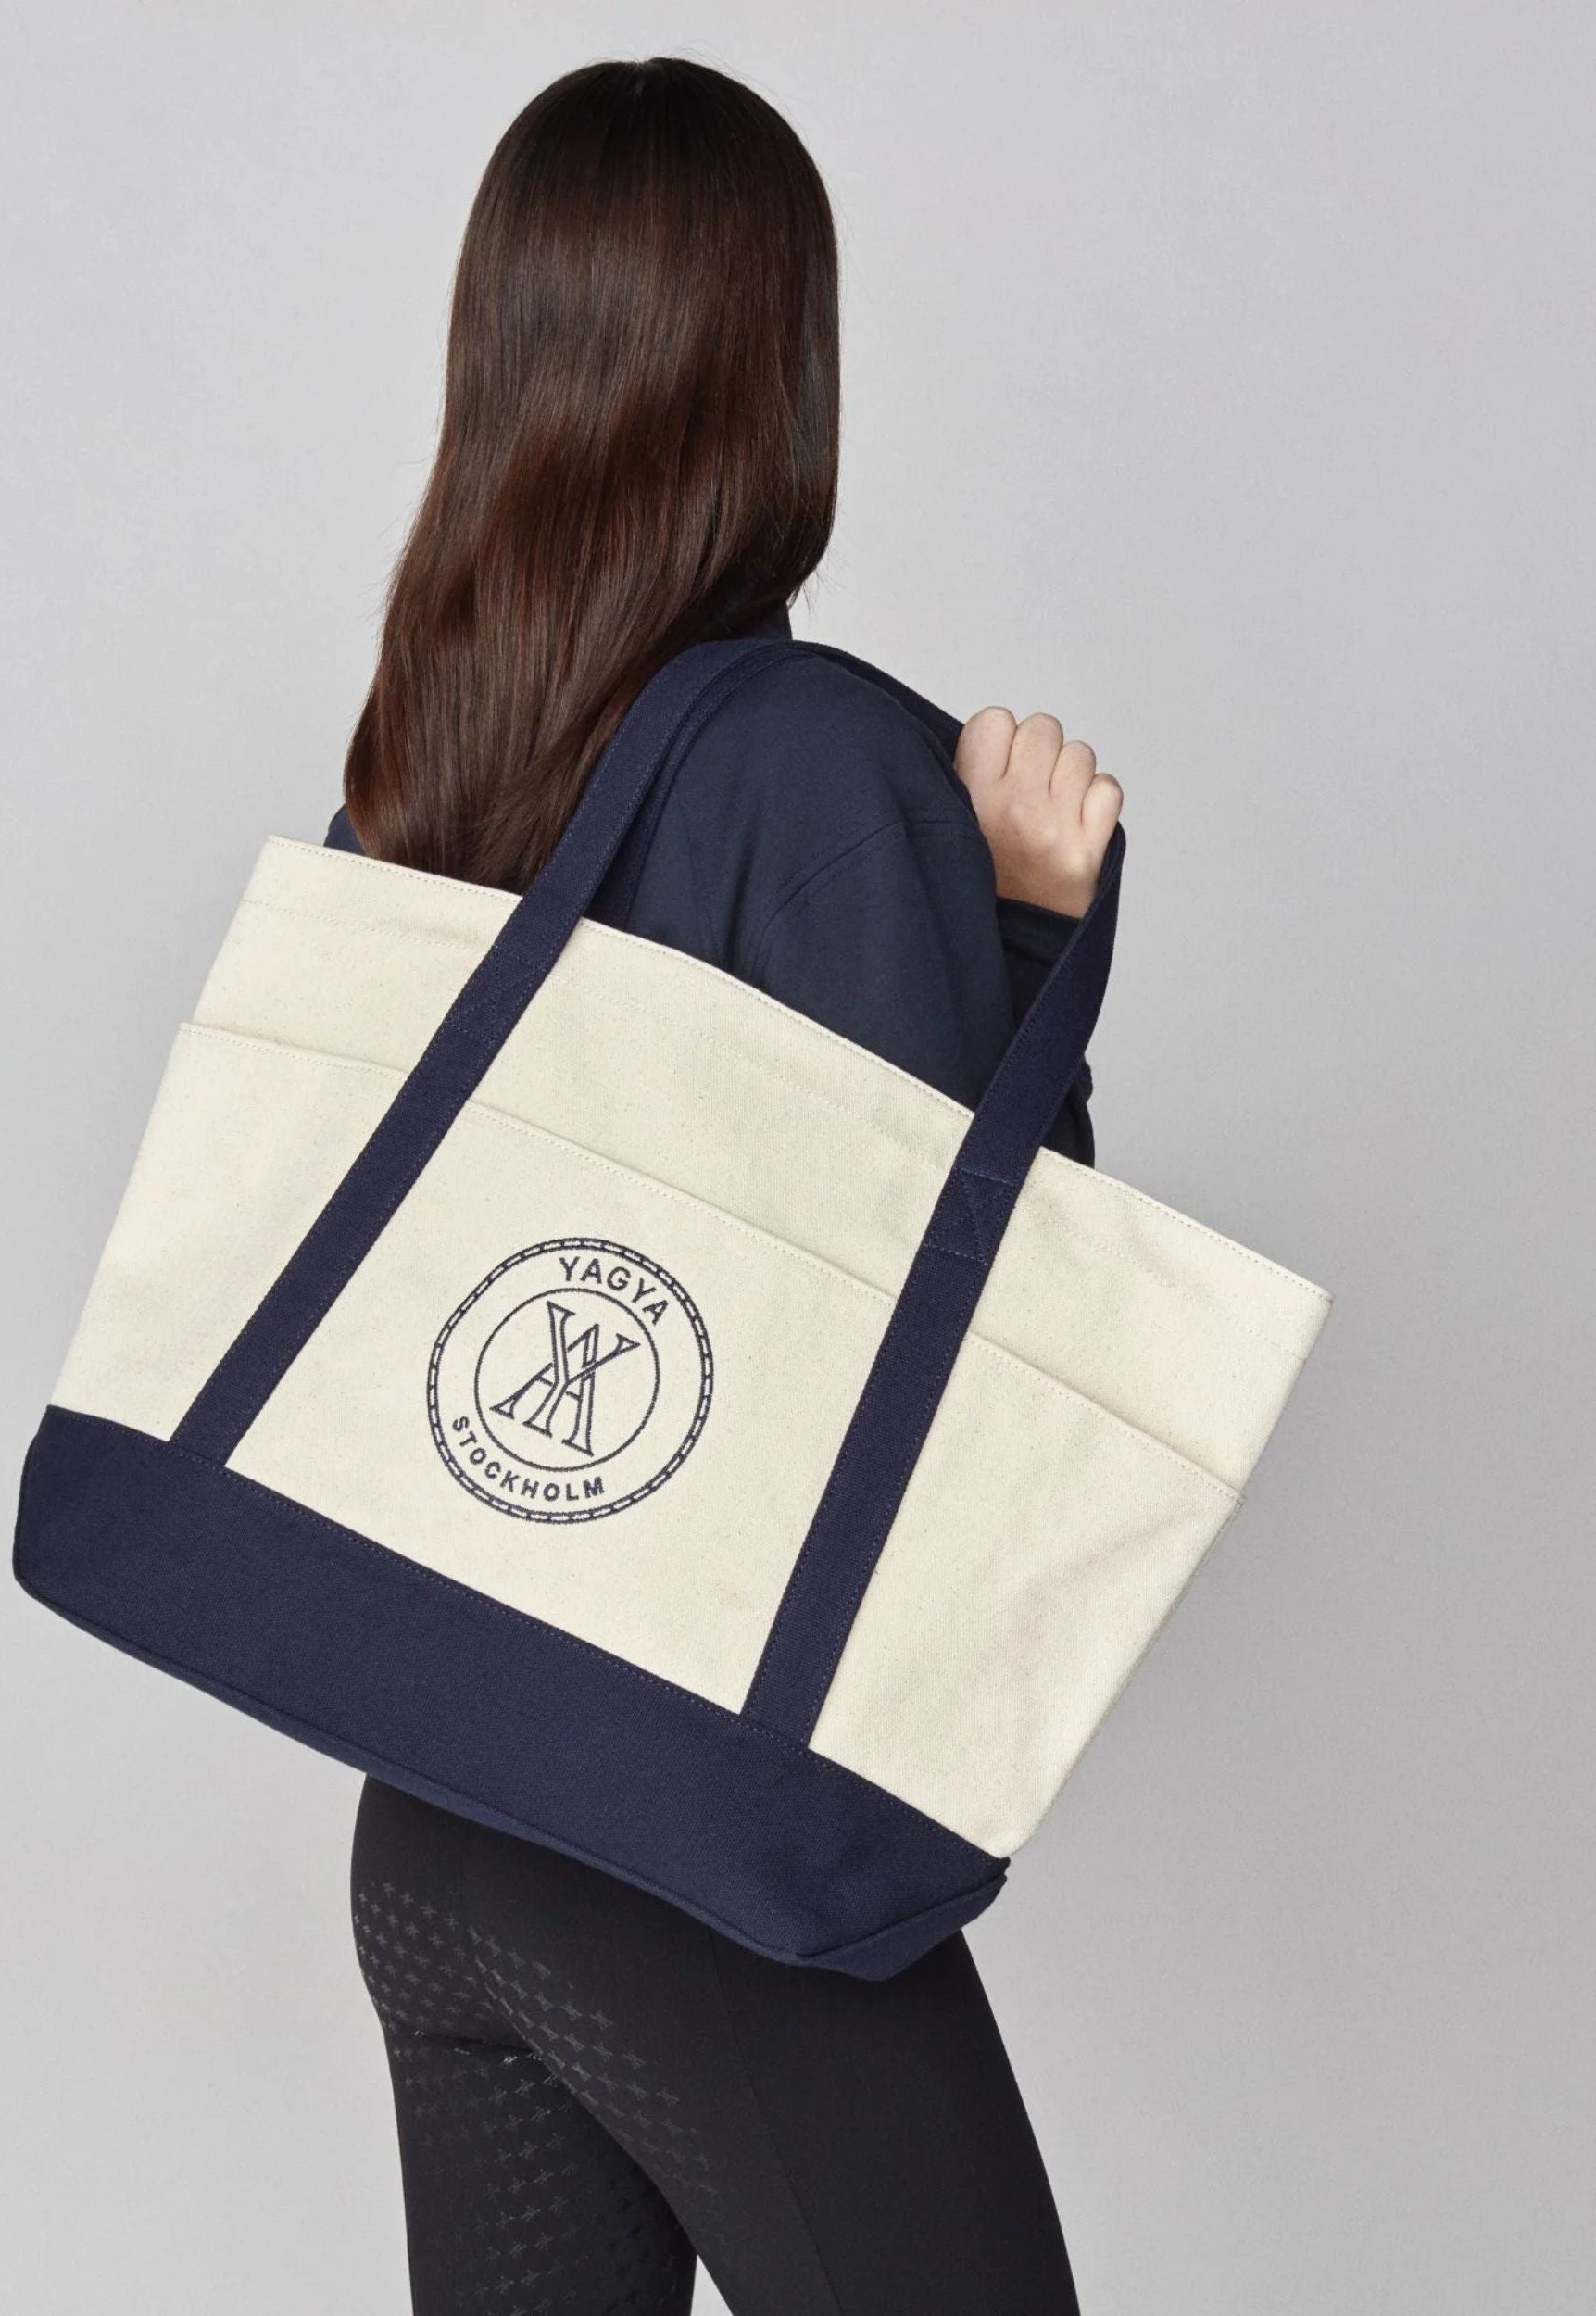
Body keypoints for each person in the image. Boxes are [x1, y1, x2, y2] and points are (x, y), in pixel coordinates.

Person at [328, 56, 1121, 2316]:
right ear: (781, 367)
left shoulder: (424, 758)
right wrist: (1035, 932)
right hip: (690, 1841)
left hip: (436, 1816)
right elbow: (960, 1339)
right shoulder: (823, 763)